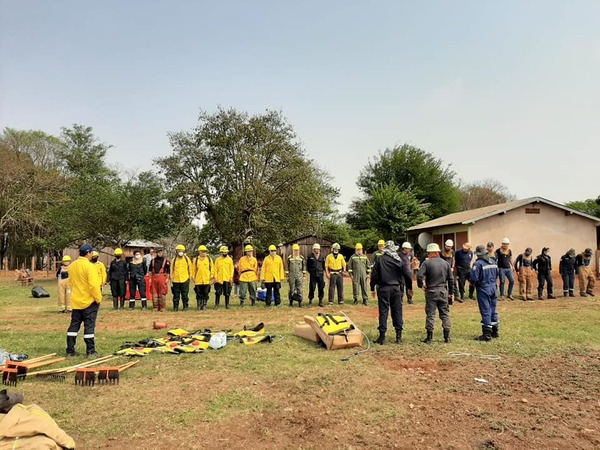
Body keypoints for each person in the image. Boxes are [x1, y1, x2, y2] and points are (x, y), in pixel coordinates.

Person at [370, 240, 411, 344]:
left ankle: (382, 336)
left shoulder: (380, 259)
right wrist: (409, 288)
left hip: (383, 288)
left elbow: (374, 275)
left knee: (383, 312)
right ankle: (398, 336)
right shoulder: (398, 260)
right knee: (397, 311)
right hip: (396, 288)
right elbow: (407, 274)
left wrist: (372, 287)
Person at [66, 244, 102, 357]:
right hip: (89, 302)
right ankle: (90, 351)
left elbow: (70, 283)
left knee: (73, 326)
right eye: (92, 253)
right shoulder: (90, 266)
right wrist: (98, 298)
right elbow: (93, 285)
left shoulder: (72, 266)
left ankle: (70, 350)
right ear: (88, 253)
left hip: (76, 301)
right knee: (89, 326)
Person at [417, 243, 454, 344]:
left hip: (431, 291)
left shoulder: (426, 263)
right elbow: (451, 280)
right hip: (443, 291)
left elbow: (419, 275)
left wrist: (422, 286)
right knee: (445, 314)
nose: (428, 255)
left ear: (430, 253)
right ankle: (447, 337)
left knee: (431, 314)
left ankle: (429, 338)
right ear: (437, 252)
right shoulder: (446, 263)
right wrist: (451, 293)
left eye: (428, 253)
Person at [470, 244, 499, 341]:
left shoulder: (477, 264)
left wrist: (474, 285)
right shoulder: (493, 262)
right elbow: (496, 275)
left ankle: (487, 334)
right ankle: (495, 331)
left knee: (485, 310)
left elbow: (474, 278)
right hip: (493, 288)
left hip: (483, 289)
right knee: (493, 309)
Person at [171, 244, 192, 311]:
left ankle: (185, 307)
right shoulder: (174, 260)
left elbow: (190, 268)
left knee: (185, 295)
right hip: (176, 280)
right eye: (179, 251)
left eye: (182, 251)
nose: (180, 252)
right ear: (176, 251)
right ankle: (175, 307)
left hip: (185, 279)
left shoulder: (187, 259)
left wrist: (190, 277)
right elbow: (171, 269)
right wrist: (172, 278)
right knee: (176, 295)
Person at [192, 245, 213, 310]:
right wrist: (193, 278)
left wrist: (211, 277)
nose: (204, 253)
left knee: (206, 293)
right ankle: (199, 305)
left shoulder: (209, 260)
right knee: (198, 294)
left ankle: (204, 305)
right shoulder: (196, 260)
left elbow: (212, 269)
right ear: (199, 252)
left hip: (207, 280)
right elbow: (193, 270)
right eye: (203, 251)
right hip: (198, 280)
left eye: (205, 251)